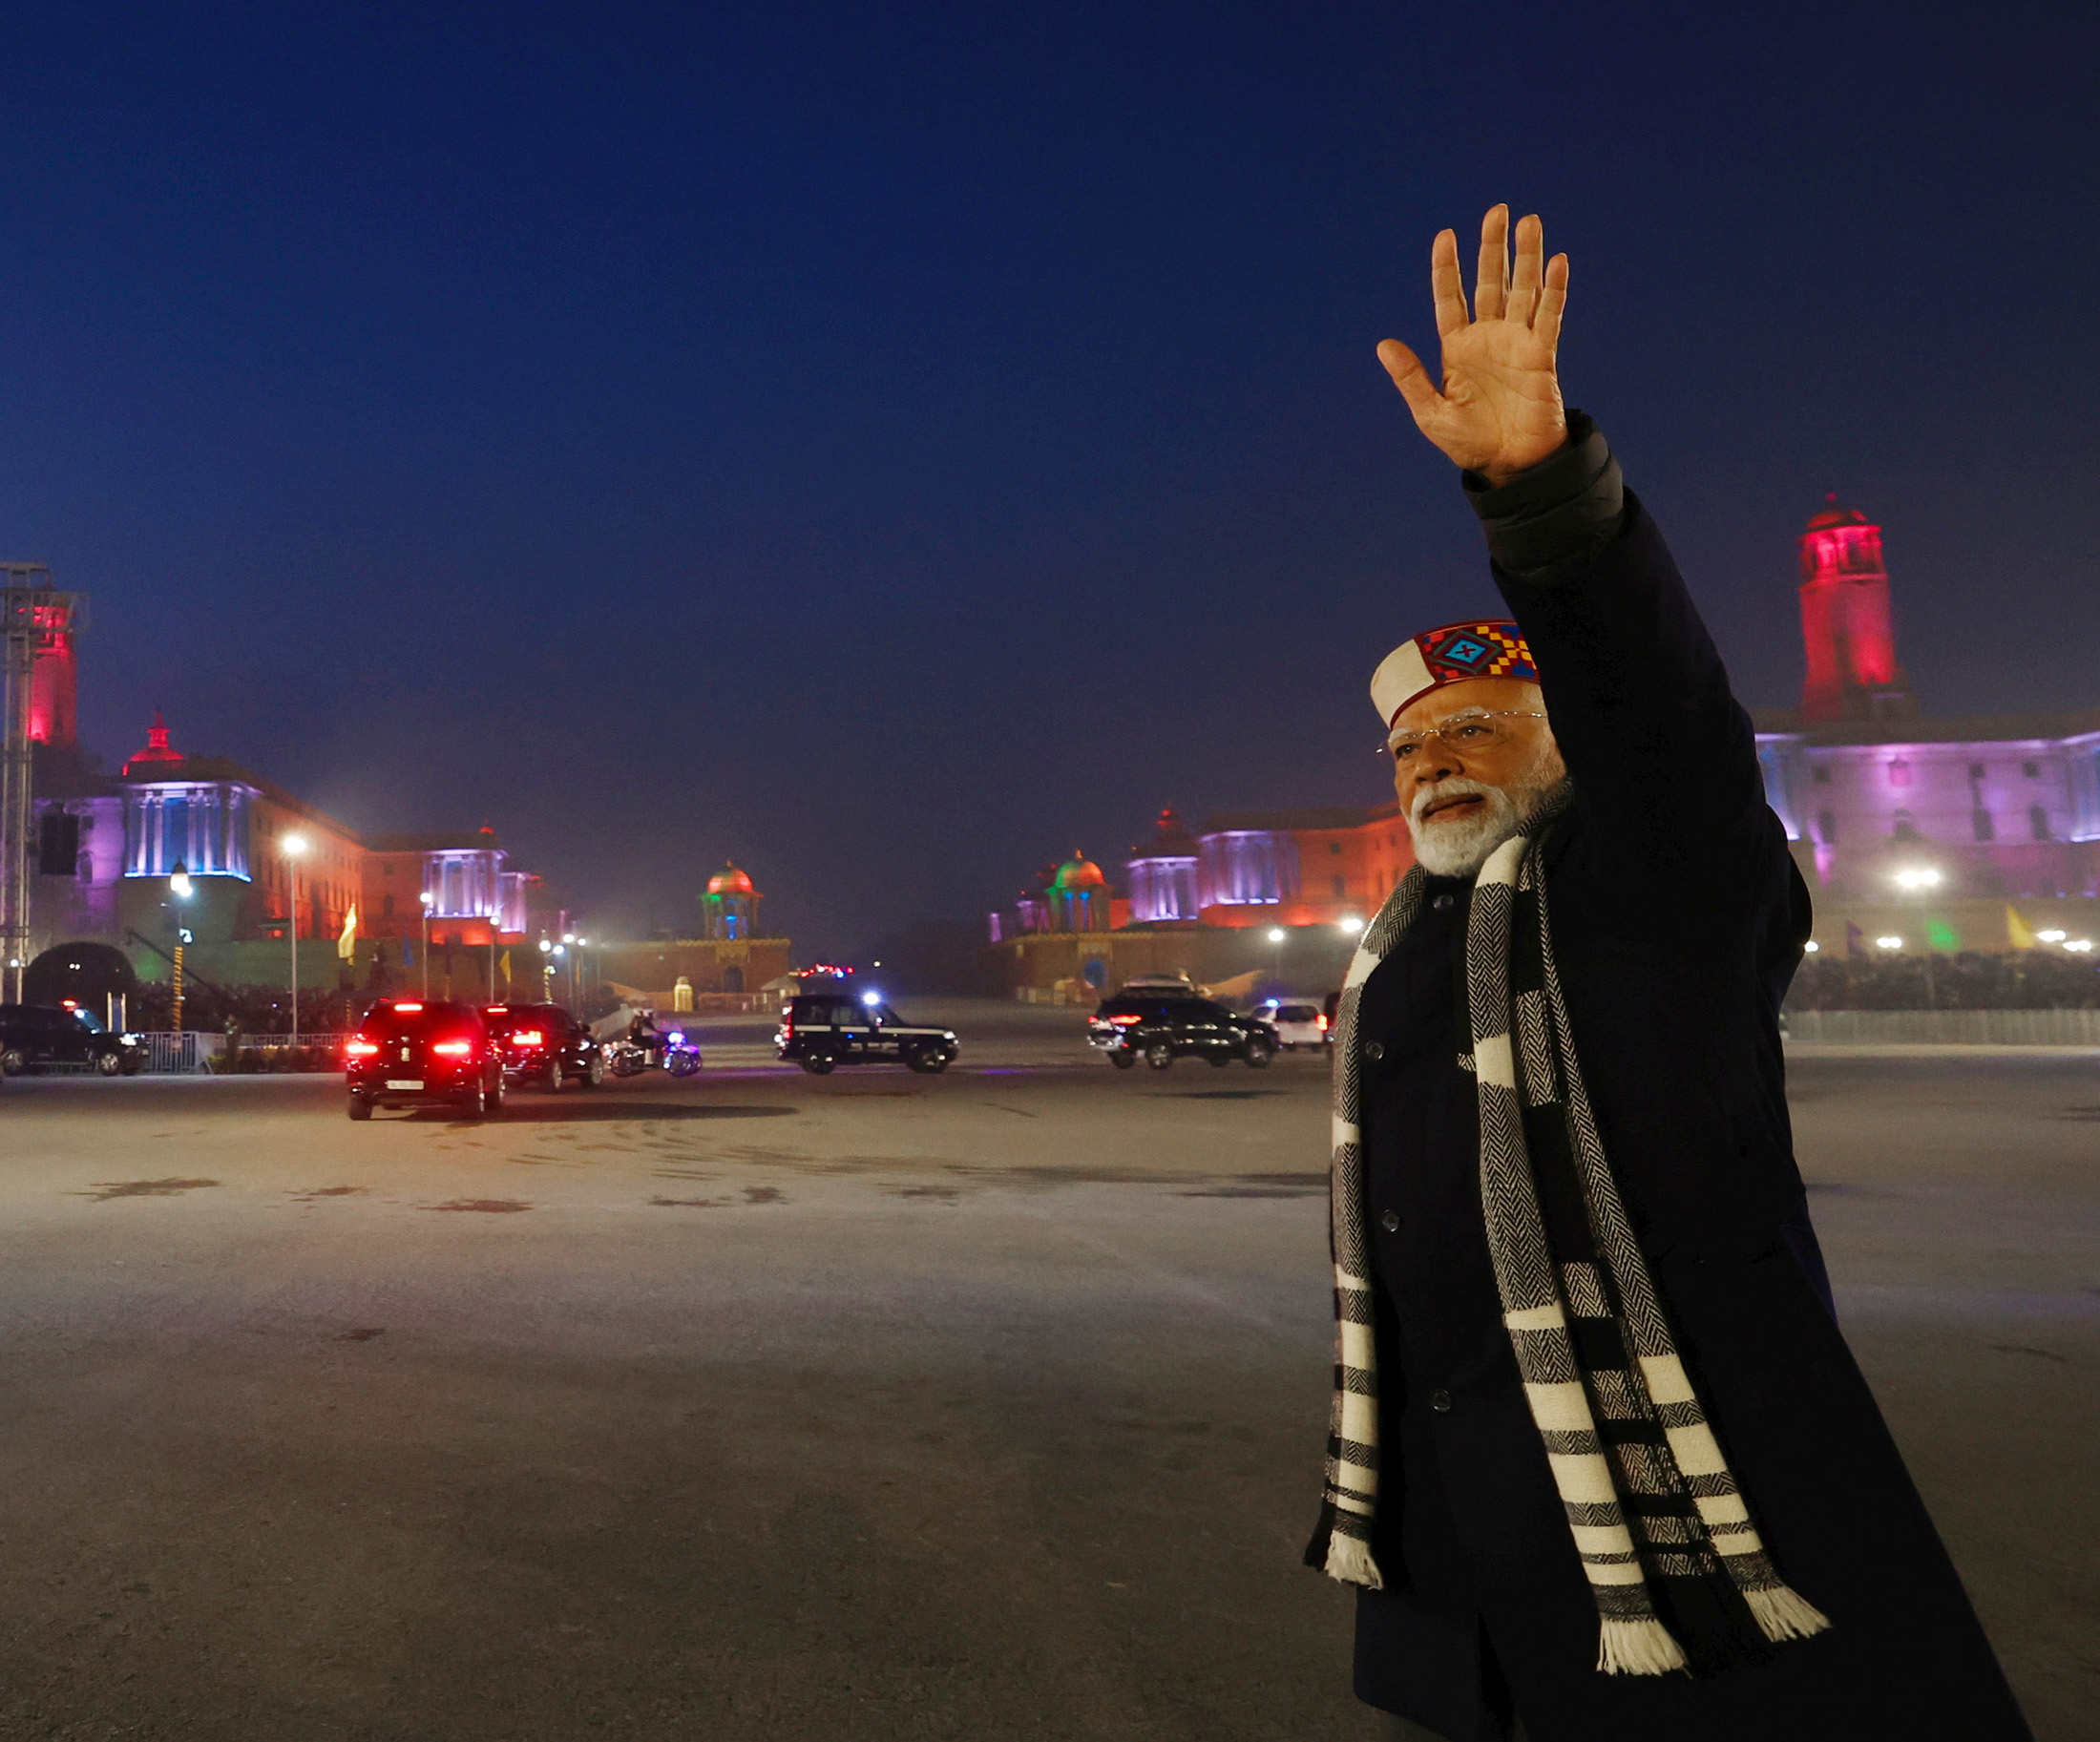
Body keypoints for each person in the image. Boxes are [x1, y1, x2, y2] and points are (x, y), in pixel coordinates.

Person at [1305, 206, 2029, 1742]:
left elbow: (1660, 714)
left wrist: (1541, 496)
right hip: (1470, 1554)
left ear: (1565, 745)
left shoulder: (1656, 887)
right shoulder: (1408, 950)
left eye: (1478, 728)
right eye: (1410, 746)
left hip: (1694, 1527)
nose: (1433, 763)